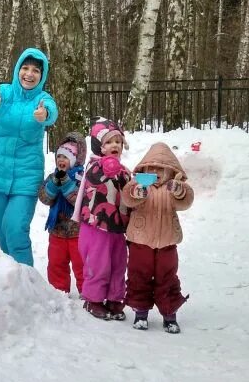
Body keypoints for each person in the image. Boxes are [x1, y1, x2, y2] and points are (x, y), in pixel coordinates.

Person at [0, 47, 58, 266]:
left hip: (26, 175)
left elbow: (52, 113)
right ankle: (12, 276)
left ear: (42, 76)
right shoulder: (4, 92)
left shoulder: (43, 99)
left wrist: (45, 114)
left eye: (36, 70)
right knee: (2, 233)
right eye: (25, 68)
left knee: (15, 230)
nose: (29, 74)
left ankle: (27, 281)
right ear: (17, 69)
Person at [121, 142, 194, 333]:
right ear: (144, 168)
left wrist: (179, 191)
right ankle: (141, 312)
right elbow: (127, 197)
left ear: (172, 171)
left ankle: (169, 313)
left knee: (167, 277)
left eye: (162, 168)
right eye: (152, 167)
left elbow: (186, 201)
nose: (156, 171)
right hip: (140, 242)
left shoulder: (173, 188)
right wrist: (137, 192)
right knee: (138, 275)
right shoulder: (138, 184)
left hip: (167, 242)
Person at [76, 118, 131, 320]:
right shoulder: (95, 166)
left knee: (118, 263)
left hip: (117, 226)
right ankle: (93, 299)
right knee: (99, 263)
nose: (114, 145)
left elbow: (128, 193)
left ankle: (115, 299)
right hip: (96, 225)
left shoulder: (123, 170)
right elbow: (100, 176)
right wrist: (109, 165)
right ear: (99, 146)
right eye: (108, 142)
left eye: (118, 141)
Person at [38, 132, 86, 294]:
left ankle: (87, 291)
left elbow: (80, 201)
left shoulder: (82, 178)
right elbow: (45, 198)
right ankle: (59, 290)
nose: (61, 160)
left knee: (82, 264)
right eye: (59, 156)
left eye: (65, 157)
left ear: (74, 159)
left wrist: (66, 184)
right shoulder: (53, 177)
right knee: (56, 263)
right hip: (57, 229)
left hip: (78, 232)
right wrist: (53, 184)